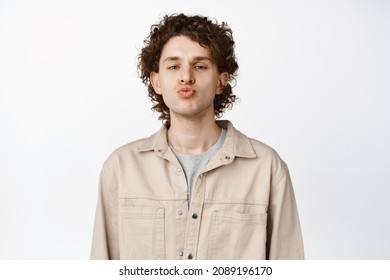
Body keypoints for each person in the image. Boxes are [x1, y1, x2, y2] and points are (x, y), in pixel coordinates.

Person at [91, 13, 304, 260]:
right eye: (173, 66)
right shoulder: (120, 168)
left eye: (200, 66)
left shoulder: (266, 168)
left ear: (221, 82)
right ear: (156, 81)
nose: (186, 76)